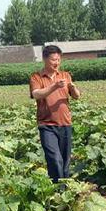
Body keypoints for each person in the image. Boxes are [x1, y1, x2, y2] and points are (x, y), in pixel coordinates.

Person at [29, 45, 81, 183]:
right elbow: (36, 94)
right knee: (54, 159)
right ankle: (56, 189)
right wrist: (54, 86)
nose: (56, 63)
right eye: (53, 60)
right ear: (45, 59)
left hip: (65, 123)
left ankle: (63, 192)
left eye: (58, 60)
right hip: (47, 125)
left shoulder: (65, 75)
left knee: (65, 162)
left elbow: (76, 96)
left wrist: (73, 87)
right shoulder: (36, 77)